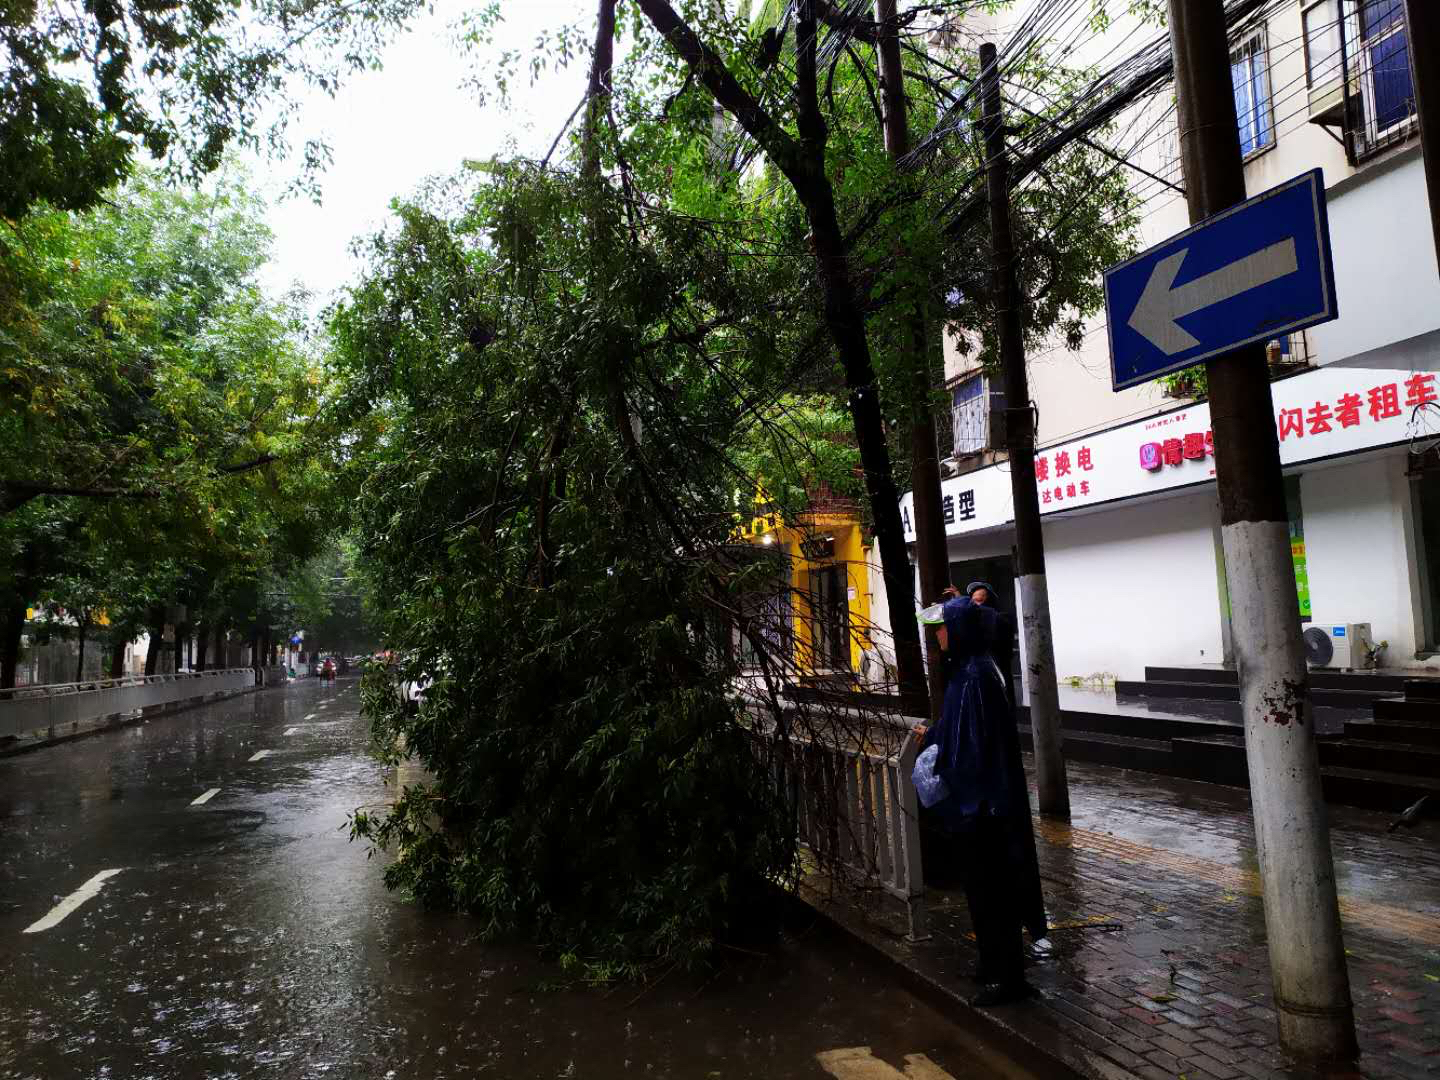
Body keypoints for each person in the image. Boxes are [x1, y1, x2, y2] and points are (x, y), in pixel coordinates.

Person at [911, 594, 1047, 1006]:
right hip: (982, 804)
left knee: (993, 892)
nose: (937, 636)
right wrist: (934, 737)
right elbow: (959, 732)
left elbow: (970, 751)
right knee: (983, 891)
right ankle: (994, 967)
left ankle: (1007, 977)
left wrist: (943, 774)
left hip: (982, 807)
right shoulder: (971, 673)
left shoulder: (974, 678)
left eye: (942, 628)